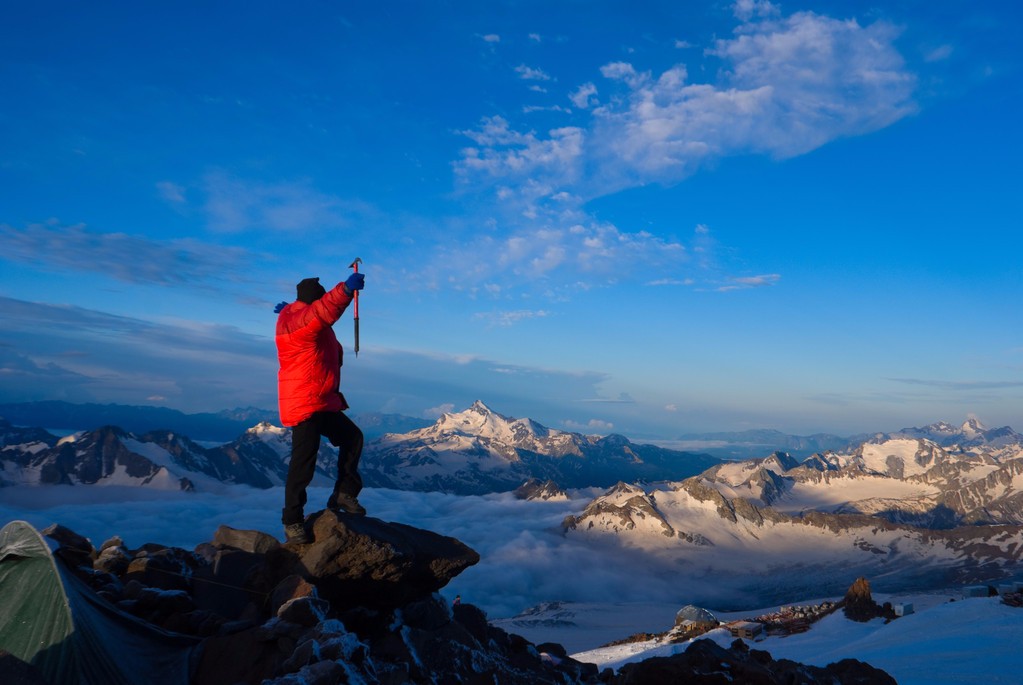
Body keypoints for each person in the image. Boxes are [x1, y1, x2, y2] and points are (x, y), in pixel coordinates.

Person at [275, 272, 366, 544]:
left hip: (321, 398)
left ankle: (343, 493)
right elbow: (322, 312)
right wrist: (346, 291)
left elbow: (311, 314)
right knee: (303, 463)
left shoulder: (297, 317)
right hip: (304, 402)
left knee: (353, 437)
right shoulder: (300, 322)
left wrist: (290, 309)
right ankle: (292, 520)